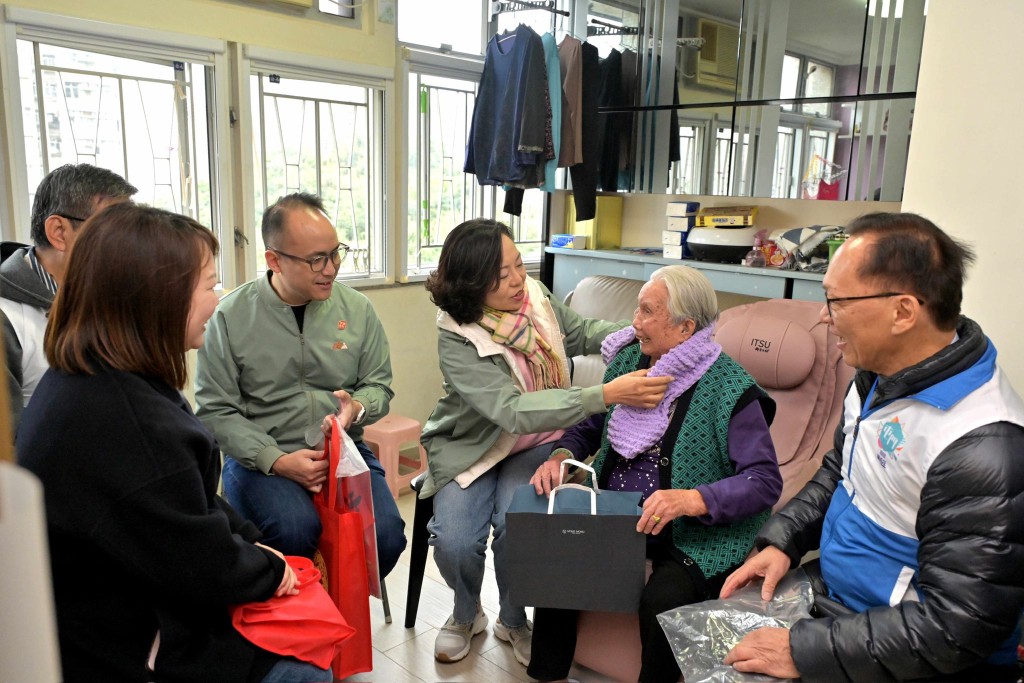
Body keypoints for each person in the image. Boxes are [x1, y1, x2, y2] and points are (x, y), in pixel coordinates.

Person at [16, 203, 331, 683]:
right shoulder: (127, 423)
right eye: (207, 284)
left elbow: (193, 505)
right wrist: (268, 569)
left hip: (121, 606)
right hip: (120, 643)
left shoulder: (98, 375)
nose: (217, 297)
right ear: (157, 298)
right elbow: (198, 560)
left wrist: (253, 546)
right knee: (306, 671)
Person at [721, 213, 1024, 682]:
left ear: (903, 311)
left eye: (836, 301)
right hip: (847, 608)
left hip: (913, 653)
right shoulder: (876, 378)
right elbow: (840, 471)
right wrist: (783, 539)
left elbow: (957, 628)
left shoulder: (979, 445)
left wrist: (804, 652)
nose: (824, 315)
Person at [420, 218, 673, 666]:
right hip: (473, 447)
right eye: (501, 276)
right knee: (456, 540)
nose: (518, 280)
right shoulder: (455, 334)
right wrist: (605, 394)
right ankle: (465, 613)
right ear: (472, 284)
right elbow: (512, 410)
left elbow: (578, 332)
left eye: (518, 263)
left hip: (538, 442)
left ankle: (514, 620)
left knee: (521, 526)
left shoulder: (534, 297)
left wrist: (639, 330)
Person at [525, 264, 782, 683]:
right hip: (619, 515)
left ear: (685, 328)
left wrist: (691, 499)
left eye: (647, 312)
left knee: (662, 601)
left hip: (692, 531)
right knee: (561, 561)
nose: (635, 322)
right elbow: (593, 425)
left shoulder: (729, 388)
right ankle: (548, 676)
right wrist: (561, 453)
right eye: (637, 310)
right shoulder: (630, 360)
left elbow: (764, 481)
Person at [195, 192, 406, 576]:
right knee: (293, 530)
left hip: (342, 453)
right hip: (260, 459)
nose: (330, 269)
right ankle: (306, 623)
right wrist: (275, 460)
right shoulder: (231, 317)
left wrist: (356, 409)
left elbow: (379, 386)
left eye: (335, 253)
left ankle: (336, 619)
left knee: (387, 537)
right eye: (315, 260)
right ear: (273, 260)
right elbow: (215, 410)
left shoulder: (357, 310)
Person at [0, 163, 136, 429]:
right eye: (113, 231)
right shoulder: (7, 317)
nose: (128, 245)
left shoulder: (115, 296)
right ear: (59, 232)